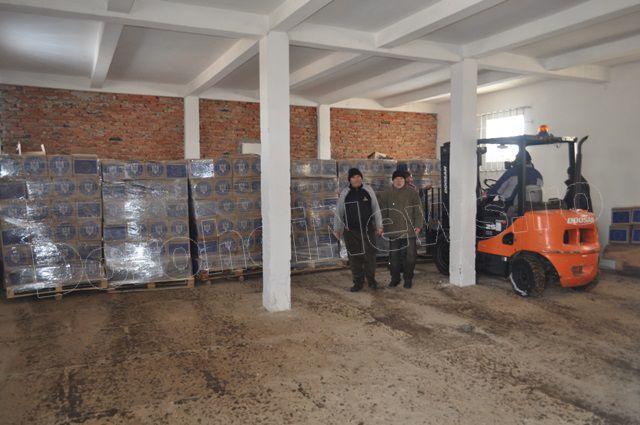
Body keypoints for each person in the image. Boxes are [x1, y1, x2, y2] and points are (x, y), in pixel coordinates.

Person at [334, 168, 383, 292]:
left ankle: (371, 281)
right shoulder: (345, 193)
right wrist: (337, 229)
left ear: (361, 178)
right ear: (349, 179)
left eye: (358, 176)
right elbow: (339, 212)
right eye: (353, 177)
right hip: (351, 231)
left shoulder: (368, 190)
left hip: (368, 230)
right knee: (354, 257)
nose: (356, 179)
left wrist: (379, 225)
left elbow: (376, 209)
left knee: (370, 256)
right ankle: (358, 282)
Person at [379, 170, 423, 289]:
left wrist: (418, 225)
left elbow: (418, 210)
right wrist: (381, 225)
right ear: (392, 180)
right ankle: (395, 278)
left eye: (401, 179)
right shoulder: (387, 193)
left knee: (410, 256)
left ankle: (408, 279)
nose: (399, 181)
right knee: (394, 257)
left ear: (405, 180)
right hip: (393, 231)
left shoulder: (412, 192)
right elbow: (383, 211)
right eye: (396, 179)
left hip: (409, 230)